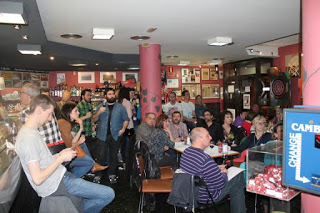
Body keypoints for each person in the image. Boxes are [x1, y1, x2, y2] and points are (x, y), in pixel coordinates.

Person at [15, 94, 114, 213]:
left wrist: (59, 154)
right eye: (49, 114)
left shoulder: (31, 132)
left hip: (61, 176)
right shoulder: (28, 138)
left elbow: (41, 161)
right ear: (39, 110)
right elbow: (37, 178)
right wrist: (60, 159)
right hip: (56, 183)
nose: (51, 119)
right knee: (108, 194)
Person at [180, 127, 246, 213]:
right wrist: (224, 173)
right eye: (207, 136)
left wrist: (215, 168)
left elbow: (198, 169)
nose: (211, 137)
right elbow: (220, 184)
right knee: (238, 177)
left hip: (190, 192)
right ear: (199, 139)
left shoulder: (186, 152)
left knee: (237, 187)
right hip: (206, 196)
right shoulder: (205, 159)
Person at [58, 103, 108, 178]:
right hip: (62, 156)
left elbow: (72, 141)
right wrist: (80, 142)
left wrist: (81, 128)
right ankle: (72, 179)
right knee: (89, 162)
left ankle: (73, 177)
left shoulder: (64, 122)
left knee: (83, 146)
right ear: (69, 112)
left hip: (63, 153)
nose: (78, 113)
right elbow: (70, 145)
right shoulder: (65, 124)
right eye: (76, 111)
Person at [92, 88, 129, 184]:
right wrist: (99, 112)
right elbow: (94, 120)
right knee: (101, 156)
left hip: (115, 135)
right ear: (105, 96)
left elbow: (126, 119)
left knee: (113, 156)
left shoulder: (120, 107)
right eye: (109, 94)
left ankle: (112, 174)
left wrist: (123, 129)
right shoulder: (100, 106)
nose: (112, 96)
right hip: (102, 136)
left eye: (113, 94)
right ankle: (98, 175)